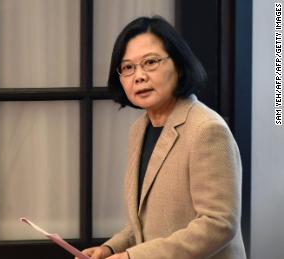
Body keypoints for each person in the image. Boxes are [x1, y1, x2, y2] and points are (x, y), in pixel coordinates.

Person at [77, 16, 246, 259]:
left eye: (150, 62)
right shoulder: (139, 129)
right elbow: (144, 222)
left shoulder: (206, 129)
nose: (139, 76)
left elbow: (219, 224)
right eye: (127, 67)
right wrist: (110, 248)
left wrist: (132, 257)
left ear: (178, 64)